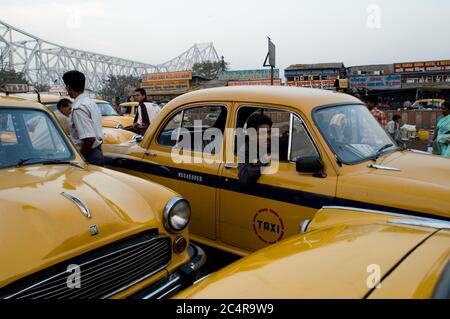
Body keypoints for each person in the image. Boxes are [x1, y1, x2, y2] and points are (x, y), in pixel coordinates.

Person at [63, 70, 104, 166]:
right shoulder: (90, 103)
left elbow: (89, 139)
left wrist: (80, 159)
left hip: (88, 154)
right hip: (96, 151)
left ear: (69, 87)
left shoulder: (79, 108)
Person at [237, 113, 273, 187]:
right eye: (263, 133)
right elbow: (244, 178)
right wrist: (262, 161)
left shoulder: (270, 144)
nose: (268, 136)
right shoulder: (244, 150)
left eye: (269, 132)